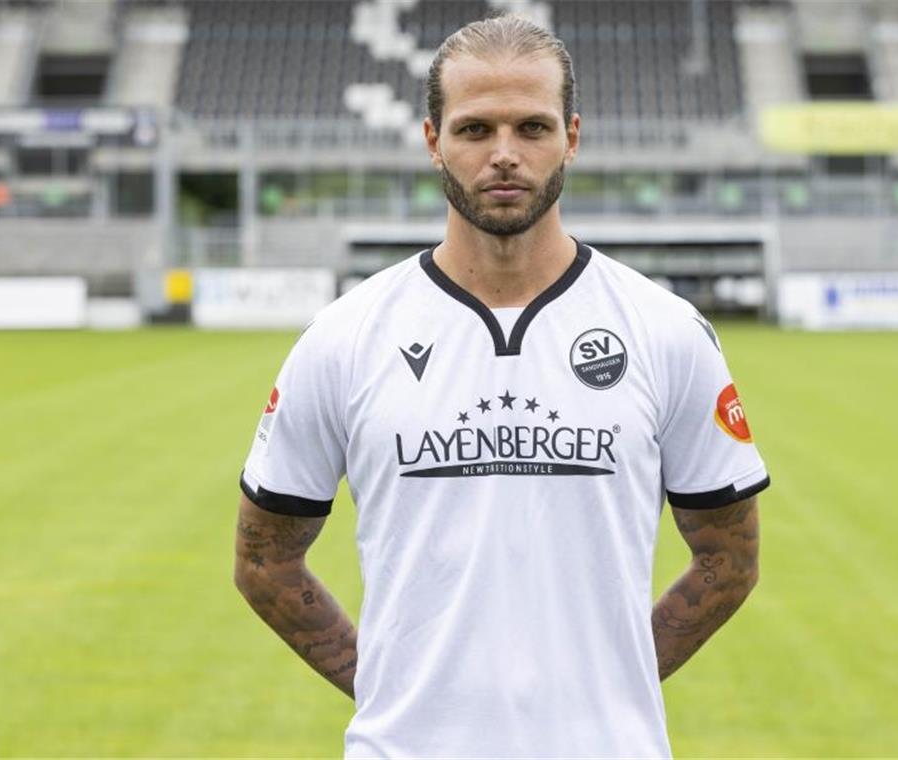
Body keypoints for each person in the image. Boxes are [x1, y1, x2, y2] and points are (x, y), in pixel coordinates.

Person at [234, 14, 769, 759]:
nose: (506, 155)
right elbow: (263, 559)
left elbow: (729, 559)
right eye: (476, 129)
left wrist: (610, 690)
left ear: (571, 138)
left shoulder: (664, 329)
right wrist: (394, 688)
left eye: (533, 128)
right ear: (433, 141)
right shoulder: (346, 337)